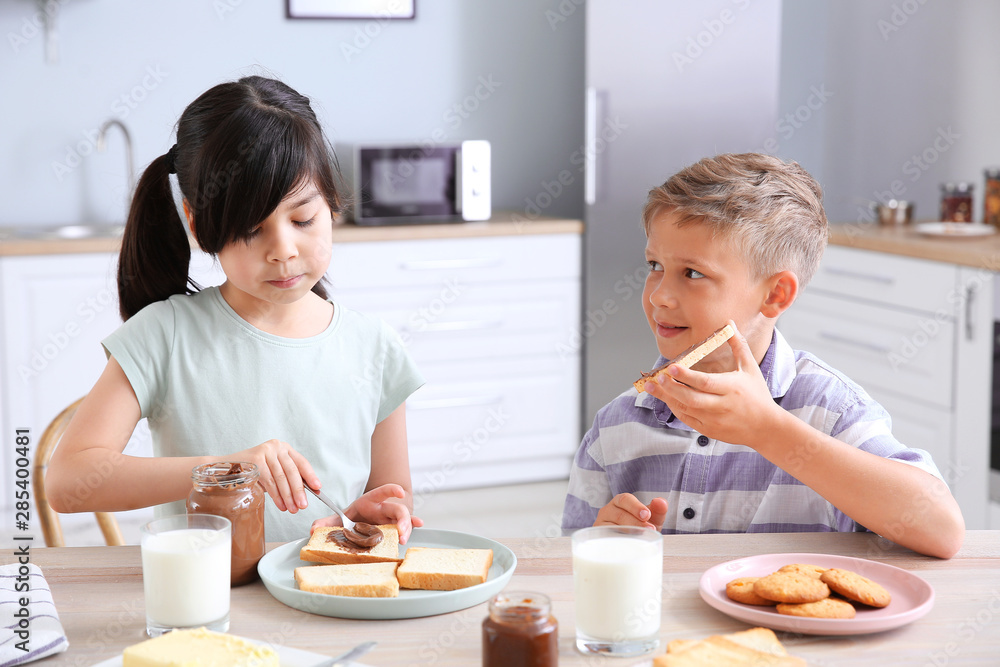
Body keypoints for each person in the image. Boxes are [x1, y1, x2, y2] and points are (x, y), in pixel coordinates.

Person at [46, 76, 424, 543]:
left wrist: (377, 516)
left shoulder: (375, 348)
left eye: (303, 219)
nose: (283, 250)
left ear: (332, 202)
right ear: (197, 222)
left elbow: (391, 497)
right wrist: (222, 469)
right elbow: (67, 483)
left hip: (328, 603)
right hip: (201, 605)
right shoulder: (164, 335)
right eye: (251, 230)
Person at [562, 153, 965, 559]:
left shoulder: (830, 412)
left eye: (693, 273)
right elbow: (568, 564)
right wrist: (601, 541)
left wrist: (767, 429)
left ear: (775, 295)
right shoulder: (615, 427)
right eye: (654, 265)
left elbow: (943, 531)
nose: (659, 296)